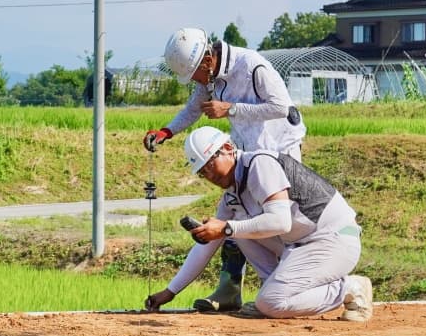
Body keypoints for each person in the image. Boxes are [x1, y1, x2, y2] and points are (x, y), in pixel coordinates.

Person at [143, 26, 307, 313]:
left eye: (194, 74)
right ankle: (242, 289)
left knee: (276, 224)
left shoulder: (252, 66)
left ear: (207, 59)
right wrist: (167, 131)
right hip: (247, 155)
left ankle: (296, 285)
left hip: (280, 155)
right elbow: (194, 108)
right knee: (234, 219)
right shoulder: (209, 76)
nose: (196, 82)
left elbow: (281, 107)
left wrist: (231, 109)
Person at [143, 126, 373, 322]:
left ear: (227, 149)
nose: (210, 176)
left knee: (269, 299)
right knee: (238, 226)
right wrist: (170, 291)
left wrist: (225, 228)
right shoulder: (232, 195)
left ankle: (349, 289)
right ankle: (270, 289)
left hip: (335, 238)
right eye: (203, 173)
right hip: (302, 244)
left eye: (210, 165)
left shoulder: (259, 164)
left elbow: (280, 221)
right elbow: (207, 246)